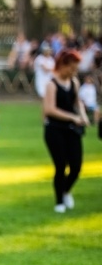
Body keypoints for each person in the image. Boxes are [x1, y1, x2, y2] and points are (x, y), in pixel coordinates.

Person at [42, 49, 89, 213]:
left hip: (71, 130)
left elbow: (78, 102)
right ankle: (59, 202)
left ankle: (66, 190)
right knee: (61, 166)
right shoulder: (51, 85)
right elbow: (49, 109)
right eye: (72, 68)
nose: (74, 72)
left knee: (76, 167)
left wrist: (83, 116)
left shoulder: (74, 82)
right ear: (63, 65)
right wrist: (73, 117)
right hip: (55, 130)